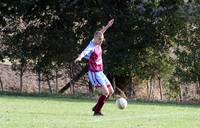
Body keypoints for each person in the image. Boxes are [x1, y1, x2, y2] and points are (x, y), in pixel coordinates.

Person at [75, 19, 114, 116]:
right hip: (94, 73)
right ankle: (97, 112)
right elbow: (84, 52)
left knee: (111, 91)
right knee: (105, 92)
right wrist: (79, 58)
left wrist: (108, 26)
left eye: (102, 39)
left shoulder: (98, 41)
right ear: (94, 39)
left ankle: (96, 106)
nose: (101, 41)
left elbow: (100, 33)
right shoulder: (91, 46)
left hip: (100, 72)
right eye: (99, 39)